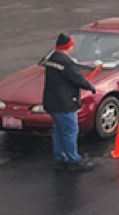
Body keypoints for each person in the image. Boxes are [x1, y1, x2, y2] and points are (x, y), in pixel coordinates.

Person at [41, 33, 97, 172]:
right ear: (69, 46)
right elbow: (76, 78)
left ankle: (61, 158)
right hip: (64, 102)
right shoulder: (66, 62)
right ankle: (73, 160)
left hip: (51, 101)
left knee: (59, 131)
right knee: (70, 131)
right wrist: (89, 86)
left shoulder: (51, 58)